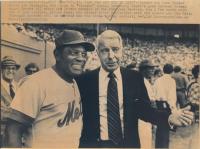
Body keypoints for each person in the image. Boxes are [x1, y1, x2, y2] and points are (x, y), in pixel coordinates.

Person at [76, 30, 194, 148]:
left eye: (115, 49)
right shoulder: (84, 80)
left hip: (128, 144)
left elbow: (145, 110)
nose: (111, 56)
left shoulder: (134, 77)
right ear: (97, 52)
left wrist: (169, 117)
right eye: (105, 50)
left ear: (122, 51)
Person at [5, 30, 95, 147]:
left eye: (83, 54)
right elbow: (12, 131)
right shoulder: (36, 83)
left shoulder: (73, 81)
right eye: (74, 53)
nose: (80, 58)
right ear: (57, 55)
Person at [154, 64, 177, 148]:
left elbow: (154, 93)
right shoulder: (171, 81)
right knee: (166, 128)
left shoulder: (158, 80)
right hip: (167, 105)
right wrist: (173, 109)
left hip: (158, 105)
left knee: (159, 128)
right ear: (172, 71)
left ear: (163, 70)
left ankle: (158, 146)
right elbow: (172, 97)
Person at [1, 56, 20, 147]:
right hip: (2, 132)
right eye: (7, 68)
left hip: (18, 133)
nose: (11, 71)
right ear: (2, 70)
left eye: (13, 68)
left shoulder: (18, 86)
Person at [138, 59, 158, 148]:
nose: (153, 70)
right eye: (150, 68)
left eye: (153, 68)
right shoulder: (140, 81)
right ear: (143, 69)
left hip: (147, 117)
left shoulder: (146, 81)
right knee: (144, 142)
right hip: (142, 118)